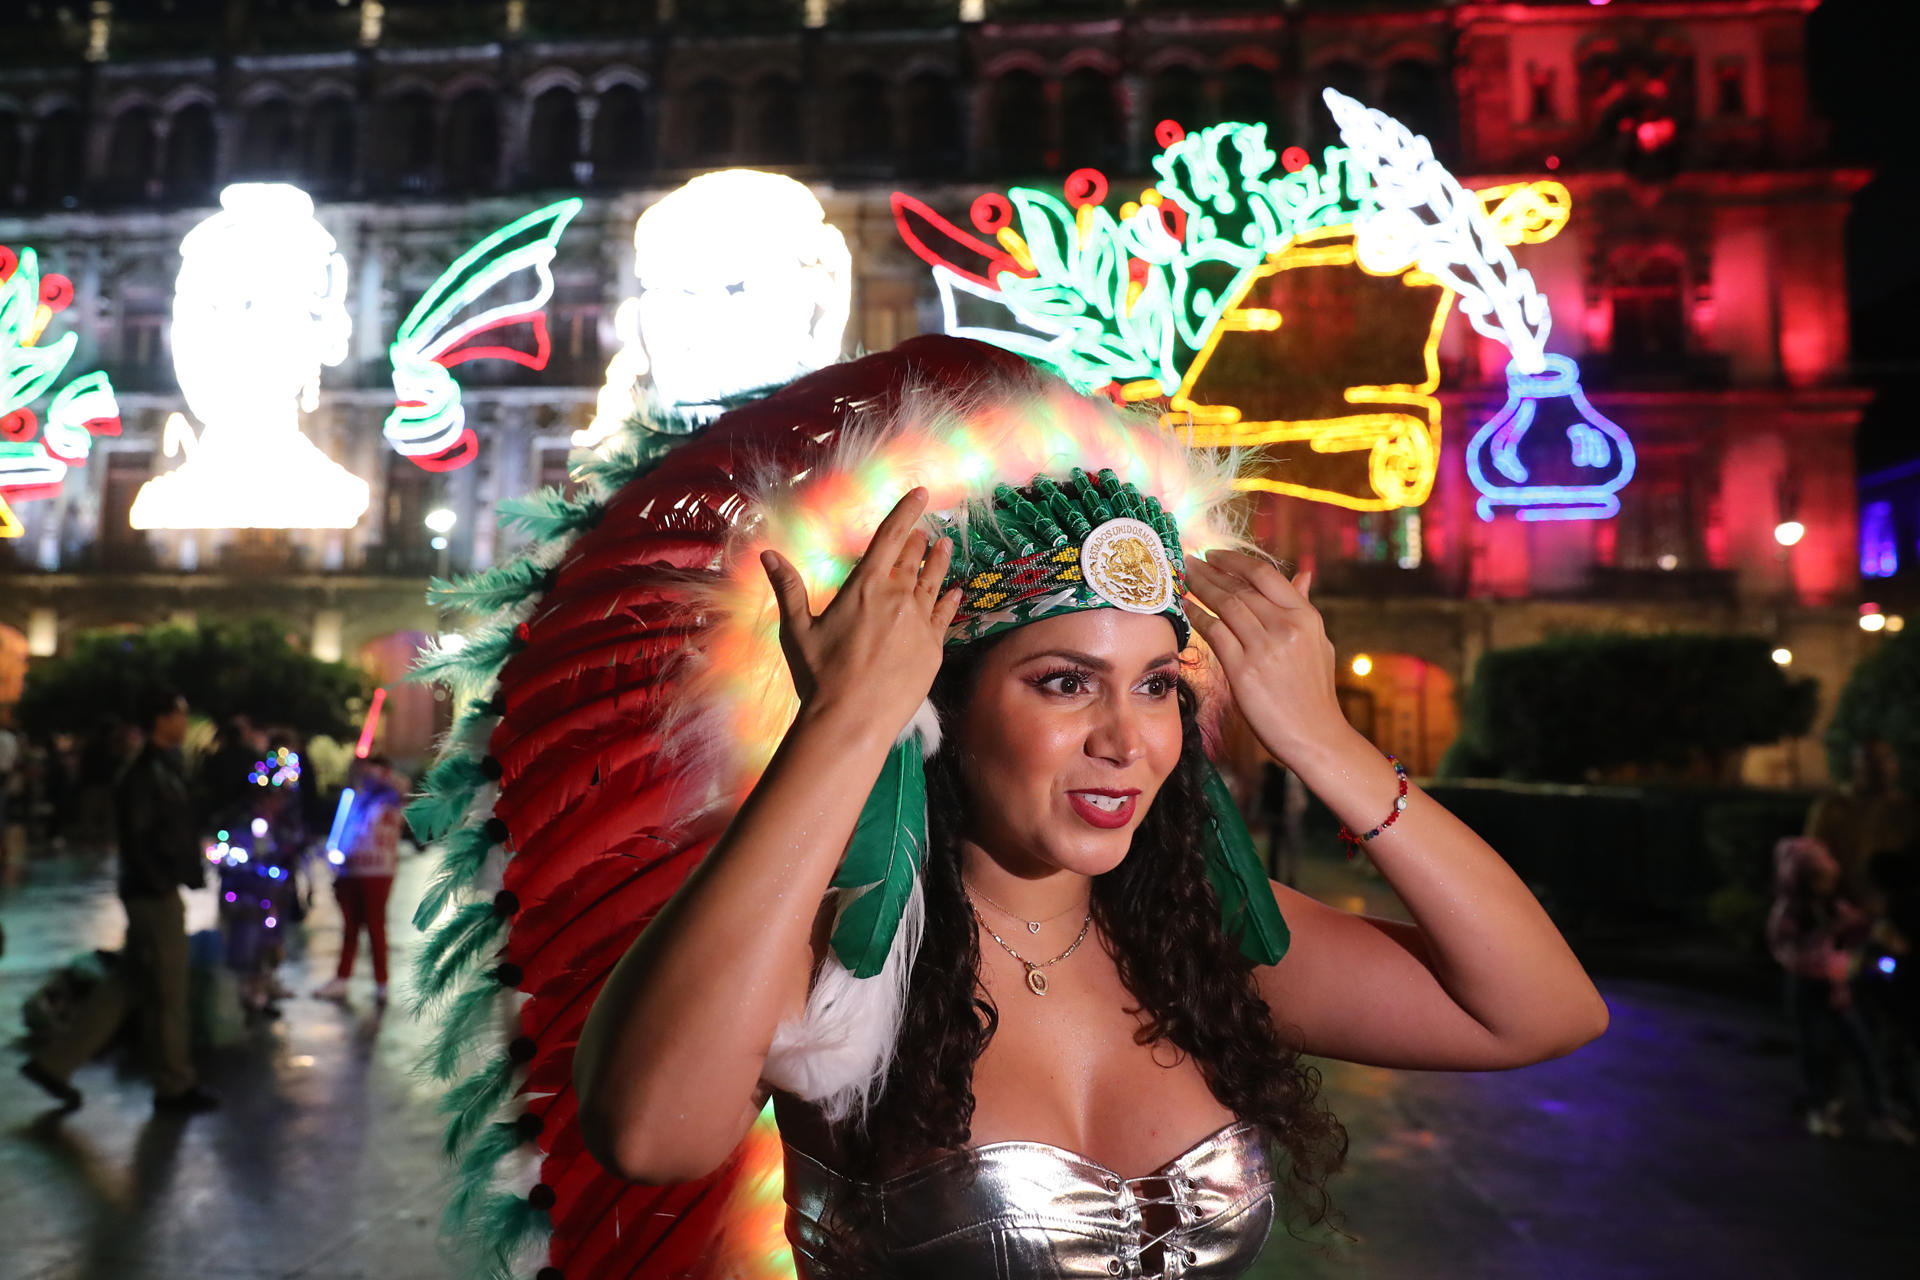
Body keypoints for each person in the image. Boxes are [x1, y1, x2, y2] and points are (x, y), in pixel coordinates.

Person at [511, 347, 1613, 1275]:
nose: (1126, 739)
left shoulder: (1198, 943)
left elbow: (1543, 1011)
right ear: (942, 707)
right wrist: (843, 725)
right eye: (1064, 681)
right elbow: (650, 1134)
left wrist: (1326, 742)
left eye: (1158, 685)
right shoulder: (840, 960)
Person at [20, 687, 220, 1112]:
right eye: (180, 714)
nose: (185, 722)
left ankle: (54, 1064)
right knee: (169, 992)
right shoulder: (145, 773)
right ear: (161, 719)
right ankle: (174, 1084)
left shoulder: (157, 767)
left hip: (151, 888)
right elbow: (141, 838)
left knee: (127, 983)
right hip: (153, 893)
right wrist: (163, 880)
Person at [1766, 836, 1909, 1142]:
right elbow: (1788, 951)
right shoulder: (1791, 913)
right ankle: (1819, 1109)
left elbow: (1860, 930)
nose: (1828, 884)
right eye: (1821, 879)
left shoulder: (1834, 907)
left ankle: (1880, 1114)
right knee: (1815, 1049)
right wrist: (1827, 937)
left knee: (1862, 1048)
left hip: (1838, 987)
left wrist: (1877, 935)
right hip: (1809, 986)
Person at [313, 755, 406, 1005]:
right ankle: (342, 978)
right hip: (349, 871)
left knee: (375, 927)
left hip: (378, 871)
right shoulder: (355, 797)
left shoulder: (391, 798)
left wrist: (376, 772)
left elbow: (403, 787)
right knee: (350, 927)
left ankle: (382, 983)